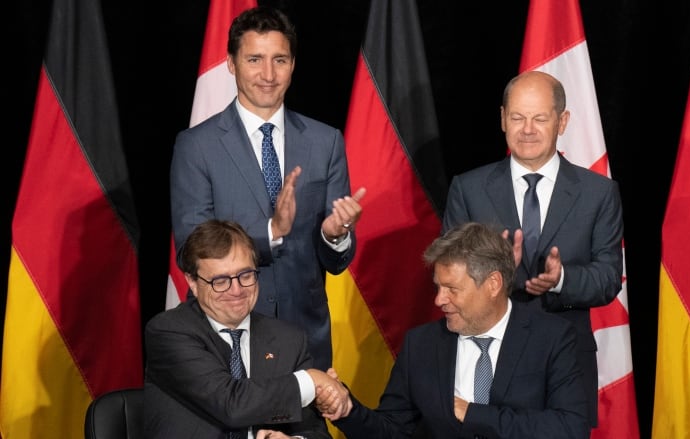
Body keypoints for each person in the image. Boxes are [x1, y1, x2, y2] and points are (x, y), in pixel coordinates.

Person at [170, 5, 366, 372]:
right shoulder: (196, 146)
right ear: (231, 63)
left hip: (305, 339)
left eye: (280, 60)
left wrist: (334, 236)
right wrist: (270, 232)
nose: (268, 74)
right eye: (254, 59)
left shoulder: (326, 142)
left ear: (293, 64)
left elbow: (336, 262)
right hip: (226, 336)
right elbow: (190, 249)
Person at [441, 70, 624, 427]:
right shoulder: (469, 189)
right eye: (518, 118)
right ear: (502, 119)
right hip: (485, 359)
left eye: (540, 118)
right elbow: (449, 272)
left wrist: (561, 279)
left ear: (563, 121)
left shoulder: (598, 193)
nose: (528, 129)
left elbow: (608, 277)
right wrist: (496, 271)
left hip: (564, 365)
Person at [319, 222, 589, 438]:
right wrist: (348, 410)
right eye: (438, 286)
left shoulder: (552, 338)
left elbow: (570, 428)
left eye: (452, 289)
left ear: (493, 284)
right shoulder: (422, 344)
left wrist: (469, 413)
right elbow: (394, 430)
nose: (439, 300)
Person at [144, 219, 351, 438]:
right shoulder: (169, 331)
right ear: (193, 282)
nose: (236, 290)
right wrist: (312, 380)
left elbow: (316, 433)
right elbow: (231, 405)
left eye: (245, 275)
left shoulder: (288, 340)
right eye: (220, 281)